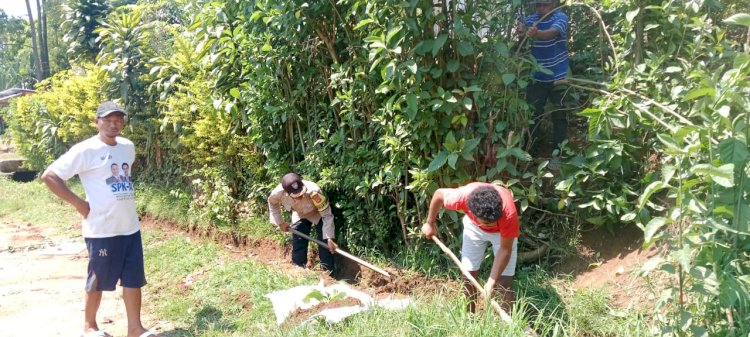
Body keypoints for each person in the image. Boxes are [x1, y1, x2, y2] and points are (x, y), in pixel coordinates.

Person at [41, 101, 158, 337]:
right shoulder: (86, 150)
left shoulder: (127, 147)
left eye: (119, 120)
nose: (114, 124)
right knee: (97, 279)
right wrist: (79, 204)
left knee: (133, 279)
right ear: (97, 122)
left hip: (129, 227)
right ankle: (89, 326)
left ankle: (135, 328)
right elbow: (50, 176)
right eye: (108, 119)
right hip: (101, 229)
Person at [422, 182, 519, 313]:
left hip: (501, 233)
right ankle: (470, 317)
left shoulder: (508, 214)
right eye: (487, 223)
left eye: (494, 220)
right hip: (474, 228)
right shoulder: (462, 197)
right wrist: (430, 223)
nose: (493, 224)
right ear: (471, 211)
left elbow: (505, 249)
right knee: (468, 275)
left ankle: (508, 326)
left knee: (504, 282)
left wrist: (491, 282)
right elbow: (439, 194)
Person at [517, 0, 570, 169]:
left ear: (553, 4)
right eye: (537, 5)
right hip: (537, 77)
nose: (541, 8)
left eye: (544, 5)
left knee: (559, 116)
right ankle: (530, 154)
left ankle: (558, 155)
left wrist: (535, 33)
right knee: (534, 116)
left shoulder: (560, 17)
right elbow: (521, 40)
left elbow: (551, 33)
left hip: (559, 76)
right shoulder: (531, 19)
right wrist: (521, 33)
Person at [268, 172, 338, 272]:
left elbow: (326, 215)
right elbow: (272, 203)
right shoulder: (278, 192)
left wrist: (329, 237)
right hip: (299, 214)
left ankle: (328, 274)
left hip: (318, 213)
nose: (300, 196)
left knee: (325, 244)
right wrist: (280, 223)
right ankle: (299, 270)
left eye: (301, 192)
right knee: (298, 240)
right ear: (286, 192)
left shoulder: (314, 191)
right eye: (296, 195)